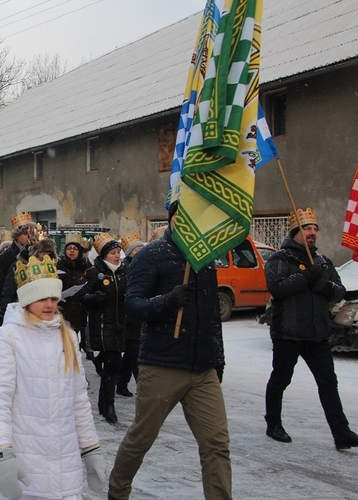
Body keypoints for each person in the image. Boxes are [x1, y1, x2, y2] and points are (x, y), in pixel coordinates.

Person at [107, 200, 231, 500]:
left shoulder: (206, 257)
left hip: (203, 370)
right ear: (173, 219)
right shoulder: (151, 255)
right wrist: (167, 301)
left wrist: (218, 358)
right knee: (142, 438)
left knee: (216, 443)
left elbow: (212, 314)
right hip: (162, 364)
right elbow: (133, 306)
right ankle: (117, 491)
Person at [0, 255, 106, 499]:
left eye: (54, 298)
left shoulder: (68, 337)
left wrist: (90, 448)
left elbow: (78, 400)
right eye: (42, 298)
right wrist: (1, 453)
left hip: (63, 462)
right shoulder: (7, 337)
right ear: (27, 299)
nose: (50, 304)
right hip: (23, 458)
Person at [264, 207, 358, 450]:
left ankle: (341, 433)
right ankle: (273, 424)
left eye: (315, 228)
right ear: (295, 233)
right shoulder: (280, 259)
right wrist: (305, 277)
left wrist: (321, 283)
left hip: (316, 334)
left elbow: (339, 292)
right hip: (288, 333)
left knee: (328, 383)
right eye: (306, 228)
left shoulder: (322, 262)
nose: (312, 233)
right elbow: (277, 288)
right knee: (280, 379)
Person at [78, 232, 126, 424]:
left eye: (118, 252)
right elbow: (81, 296)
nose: (117, 256)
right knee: (113, 366)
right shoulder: (95, 273)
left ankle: (103, 403)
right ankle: (109, 406)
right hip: (103, 326)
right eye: (113, 252)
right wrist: (94, 298)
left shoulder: (123, 272)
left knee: (111, 366)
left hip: (119, 326)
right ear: (104, 255)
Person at [0, 212, 39, 329]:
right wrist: (3, 309)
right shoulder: (5, 257)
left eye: (31, 233)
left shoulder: (37, 254)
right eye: (25, 233)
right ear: (17, 235)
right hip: (14, 306)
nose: (29, 236)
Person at [116, 232, 144, 397]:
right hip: (129, 316)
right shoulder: (124, 268)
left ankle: (121, 383)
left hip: (139, 314)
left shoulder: (144, 264)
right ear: (129, 252)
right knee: (135, 352)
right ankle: (142, 387)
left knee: (130, 353)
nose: (139, 251)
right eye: (136, 249)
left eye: (141, 248)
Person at [56, 232, 92, 357]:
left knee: (75, 334)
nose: (72, 251)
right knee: (65, 339)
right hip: (65, 306)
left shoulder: (85, 265)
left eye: (75, 248)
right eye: (69, 248)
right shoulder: (59, 264)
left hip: (80, 306)